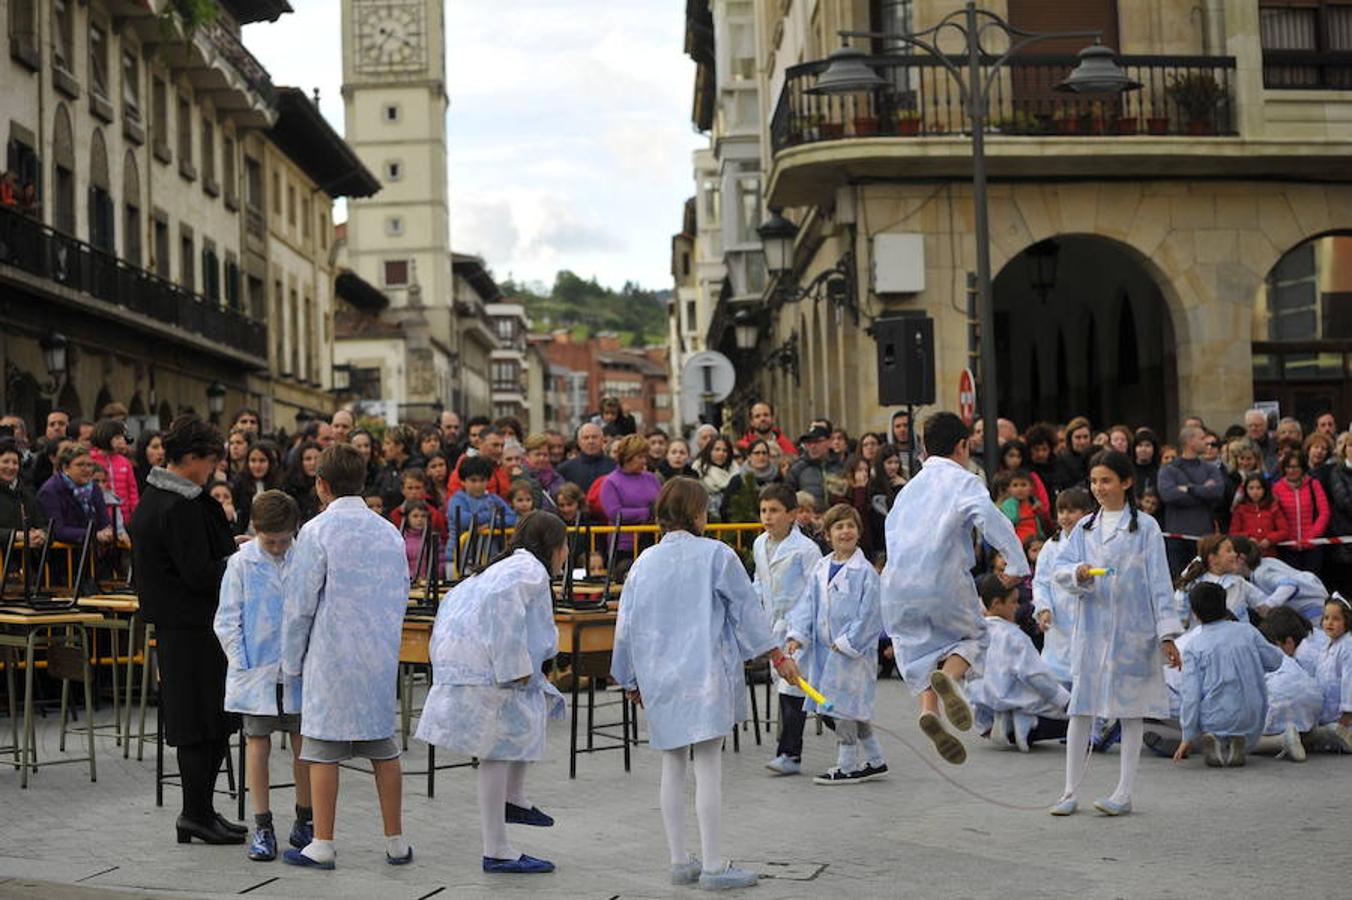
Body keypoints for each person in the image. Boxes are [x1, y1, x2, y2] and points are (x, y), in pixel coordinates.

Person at [611, 478, 802, 891]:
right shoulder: (717, 555)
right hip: (705, 673)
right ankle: (715, 864)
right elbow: (748, 613)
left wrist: (627, 676)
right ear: (698, 513)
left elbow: (625, 625)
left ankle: (680, 861)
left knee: (673, 763)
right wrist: (778, 657)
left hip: (660, 675)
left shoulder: (643, 563)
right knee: (709, 767)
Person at [280, 444, 412, 870]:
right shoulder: (389, 532)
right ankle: (395, 839)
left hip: (331, 654)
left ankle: (323, 840)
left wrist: (291, 660)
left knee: (321, 749)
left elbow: (300, 603)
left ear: (321, 484)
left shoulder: (317, 532)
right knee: (382, 749)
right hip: (376, 653)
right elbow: (402, 592)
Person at [416, 512, 568, 874]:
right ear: (555, 547)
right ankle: (497, 848)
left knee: (524, 724)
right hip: (488, 667)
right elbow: (504, 613)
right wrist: (514, 667)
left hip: (464, 663)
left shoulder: (498, 569)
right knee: (497, 751)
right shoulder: (529, 572)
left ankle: (513, 800)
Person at [881, 412, 1028, 765]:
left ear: (923, 449)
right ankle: (949, 677)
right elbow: (991, 519)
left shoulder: (907, 490)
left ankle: (929, 711)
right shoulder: (964, 481)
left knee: (918, 652)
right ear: (962, 446)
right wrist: (1017, 561)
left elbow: (891, 533)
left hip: (898, 588)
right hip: (942, 579)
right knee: (976, 637)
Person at [1049, 450, 1183, 817]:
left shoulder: (1147, 528)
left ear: (1126, 482)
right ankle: (1068, 790)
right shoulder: (1085, 527)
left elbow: (1159, 583)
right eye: (1094, 481)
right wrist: (1078, 572)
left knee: (1131, 709)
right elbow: (1059, 569)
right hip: (1091, 628)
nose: (1098, 488)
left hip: (1133, 630)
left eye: (1106, 480)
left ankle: (1123, 792)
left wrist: (1167, 634)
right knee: (1081, 707)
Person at [130, 416, 243, 845]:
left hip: (188, 627)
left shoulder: (161, 497)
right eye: (210, 461)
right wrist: (240, 559)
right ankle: (194, 814)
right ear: (191, 458)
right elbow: (198, 574)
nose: (212, 470)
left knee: (211, 721)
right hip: (191, 627)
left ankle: (202, 811)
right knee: (199, 725)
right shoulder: (177, 505)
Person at [213, 491, 313, 861]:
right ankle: (263, 824)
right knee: (257, 742)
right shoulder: (241, 563)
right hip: (256, 670)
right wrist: (243, 663)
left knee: (304, 741)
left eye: (284, 540)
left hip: (298, 668)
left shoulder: (306, 556)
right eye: (270, 540)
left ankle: (306, 819)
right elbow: (227, 618)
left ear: (295, 530)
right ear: (256, 531)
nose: (277, 547)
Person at [786, 504, 886, 784]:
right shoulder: (821, 567)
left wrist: (847, 642)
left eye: (850, 526)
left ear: (859, 531)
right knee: (851, 709)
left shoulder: (865, 572)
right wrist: (797, 634)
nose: (846, 531)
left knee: (843, 710)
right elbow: (808, 604)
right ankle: (875, 759)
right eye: (839, 527)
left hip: (852, 656)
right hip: (823, 654)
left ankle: (847, 765)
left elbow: (870, 614)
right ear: (828, 534)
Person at [1171, 583, 1283, 768]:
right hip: (1252, 717)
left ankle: (1215, 740)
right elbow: (1275, 661)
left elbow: (1191, 696)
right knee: (1239, 713)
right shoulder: (1247, 631)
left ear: (1195, 614)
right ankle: (1239, 744)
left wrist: (1187, 736)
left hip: (1214, 717)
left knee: (1201, 712)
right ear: (1225, 606)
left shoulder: (1193, 647)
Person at [753, 483, 824, 776]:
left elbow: (815, 592)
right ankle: (855, 731)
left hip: (799, 628)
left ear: (792, 514)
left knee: (792, 690)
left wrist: (801, 630)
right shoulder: (759, 544)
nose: (768, 517)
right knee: (797, 691)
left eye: (775, 511)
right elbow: (760, 581)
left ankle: (790, 755)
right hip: (773, 627)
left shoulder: (807, 550)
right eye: (763, 511)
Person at [971, 574, 1071, 752]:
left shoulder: (975, 634)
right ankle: (1022, 720)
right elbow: (1036, 675)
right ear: (996, 603)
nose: (1017, 607)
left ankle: (1000, 720)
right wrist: (1065, 701)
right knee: (1075, 720)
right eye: (1013, 602)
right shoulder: (1014, 637)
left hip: (984, 715)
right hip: (1022, 710)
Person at [1032, 488, 1093, 687]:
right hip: (1058, 623)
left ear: (1086, 513)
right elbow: (1041, 582)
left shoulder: (1094, 543)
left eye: (1072, 511)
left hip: (1088, 619)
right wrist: (1044, 608)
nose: (1065, 517)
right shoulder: (1051, 546)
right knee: (1057, 685)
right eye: (1061, 511)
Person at [1157, 426, 1226, 577]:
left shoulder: (1210, 469)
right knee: (1178, 579)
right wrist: (1203, 491)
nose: (1206, 443)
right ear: (1190, 441)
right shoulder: (1169, 470)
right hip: (1177, 538)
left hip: (1204, 537)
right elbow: (1168, 495)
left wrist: (1189, 489)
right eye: (1202, 439)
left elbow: (1217, 492)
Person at [1258, 606, 1324, 762]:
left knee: (1244, 738)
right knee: (1300, 721)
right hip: (1316, 704)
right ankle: (1321, 734)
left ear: (1288, 641)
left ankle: (1281, 741)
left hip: (1287, 705)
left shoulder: (1302, 655)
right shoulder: (1315, 640)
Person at [1231, 535, 1328, 625]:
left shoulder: (1261, 574)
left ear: (1241, 558)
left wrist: (1268, 605)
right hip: (1318, 605)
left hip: (1314, 612)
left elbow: (1290, 585)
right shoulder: (1265, 563)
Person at [37, 443, 114, 549]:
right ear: (65, 468)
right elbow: (57, 530)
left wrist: (108, 532)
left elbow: (104, 521)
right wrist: (93, 535)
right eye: (80, 465)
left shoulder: (94, 488)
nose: (86, 469)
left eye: (89, 465)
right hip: (62, 556)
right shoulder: (50, 491)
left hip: (92, 554)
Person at [599, 434, 662, 561]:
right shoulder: (611, 482)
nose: (644, 461)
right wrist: (647, 512)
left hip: (653, 541)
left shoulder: (651, 478)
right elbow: (614, 513)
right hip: (625, 546)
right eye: (640, 457)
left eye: (645, 456)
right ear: (627, 457)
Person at [1271, 450, 1330, 575]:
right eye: (1289, 467)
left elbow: (1324, 512)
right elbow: (1275, 515)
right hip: (1287, 546)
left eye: (1296, 467)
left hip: (1312, 545)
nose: (1292, 471)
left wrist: (1313, 534)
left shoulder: (1314, 484)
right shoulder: (1276, 488)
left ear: (1302, 468)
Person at [445, 456, 516, 558]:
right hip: (459, 558)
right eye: (473, 480)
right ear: (463, 481)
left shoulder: (494, 499)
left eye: (482, 480)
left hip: (489, 557)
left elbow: (512, 518)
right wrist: (493, 516)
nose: (478, 485)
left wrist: (493, 524)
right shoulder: (457, 500)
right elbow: (464, 520)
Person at [1312, 595, 1352, 751]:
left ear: (1346, 622)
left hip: (1344, 719)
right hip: (1328, 716)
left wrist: (1347, 715)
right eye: (1326, 617)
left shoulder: (1348, 647)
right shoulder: (1326, 645)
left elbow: (1349, 681)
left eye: (1336, 619)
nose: (1329, 622)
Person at [88, 418, 140, 523]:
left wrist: (135, 513)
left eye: (122, 436)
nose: (121, 440)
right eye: (117, 437)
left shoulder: (125, 462)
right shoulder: (90, 459)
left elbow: (132, 491)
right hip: (99, 517)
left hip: (124, 517)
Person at [1230, 475, 1290, 558]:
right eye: (1251, 488)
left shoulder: (1274, 508)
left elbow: (1284, 531)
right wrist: (1248, 538)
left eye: (1259, 488)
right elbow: (1233, 533)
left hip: (1269, 555)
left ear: (1265, 489)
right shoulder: (1240, 509)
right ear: (1246, 490)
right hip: (1247, 556)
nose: (1255, 492)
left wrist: (1269, 539)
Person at [786, 425, 841, 510]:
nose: (812, 446)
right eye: (809, 443)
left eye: (817, 442)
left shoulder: (840, 465)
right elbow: (788, 498)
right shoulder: (798, 468)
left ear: (829, 442)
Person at [555, 423, 615, 495]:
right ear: (579, 442)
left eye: (594, 437)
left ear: (602, 440)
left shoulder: (614, 466)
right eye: (586, 438)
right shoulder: (565, 469)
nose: (590, 441)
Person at [693, 435, 737, 522]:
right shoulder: (697, 470)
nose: (721, 453)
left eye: (725, 450)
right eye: (717, 449)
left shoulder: (736, 471)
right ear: (709, 451)